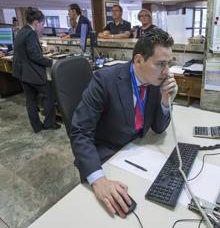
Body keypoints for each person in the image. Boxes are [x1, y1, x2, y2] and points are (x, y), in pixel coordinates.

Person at [70, 27, 178, 218]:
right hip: (106, 155)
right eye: (161, 64)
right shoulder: (104, 80)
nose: (166, 71)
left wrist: (165, 100)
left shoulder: (155, 81)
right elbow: (80, 132)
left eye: (168, 63)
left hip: (137, 149)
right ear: (138, 60)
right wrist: (99, 180)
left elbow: (159, 128)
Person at [12, 7, 61, 133]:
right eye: (42, 24)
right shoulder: (31, 33)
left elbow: (27, 51)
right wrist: (51, 62)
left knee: (31, 100)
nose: (43, 27)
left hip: (22, 72)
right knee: (49, 95)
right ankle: (49, 123)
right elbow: (34, 56)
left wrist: (44, 50)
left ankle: (37, 127)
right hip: (32, 72)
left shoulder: (22, 31)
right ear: (36, 23)